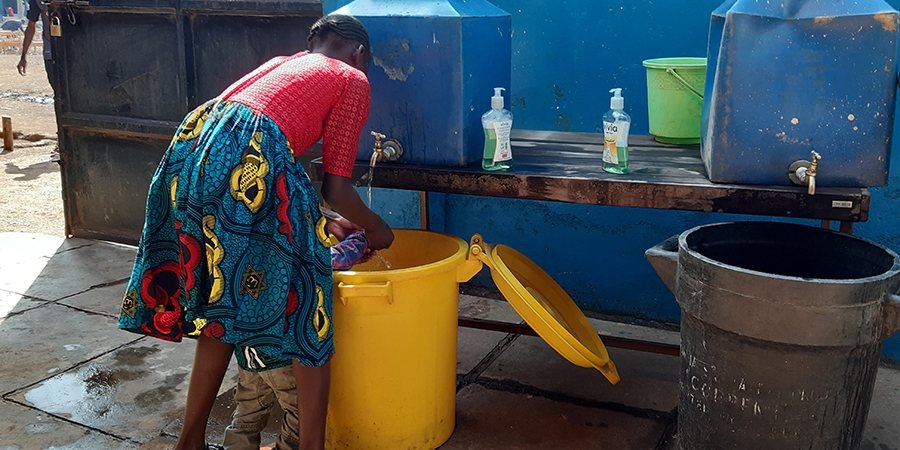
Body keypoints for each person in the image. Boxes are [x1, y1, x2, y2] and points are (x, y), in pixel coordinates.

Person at [117, 13, 394, 450]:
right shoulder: (350, 77)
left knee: (219, 305)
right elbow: (335, 186)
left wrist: (320, 220)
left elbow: (269, 168)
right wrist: (378, 229)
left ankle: (189, 441)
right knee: (307, 302)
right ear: (359, 53)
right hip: (246, 157)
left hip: (191, 149)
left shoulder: (284, 64)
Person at [17, 0, 59, 161]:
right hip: (51, 53)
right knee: (59, 97)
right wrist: (23, 57)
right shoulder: (36, 1)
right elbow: (31, 26)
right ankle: (61, 142)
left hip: (73, 49)